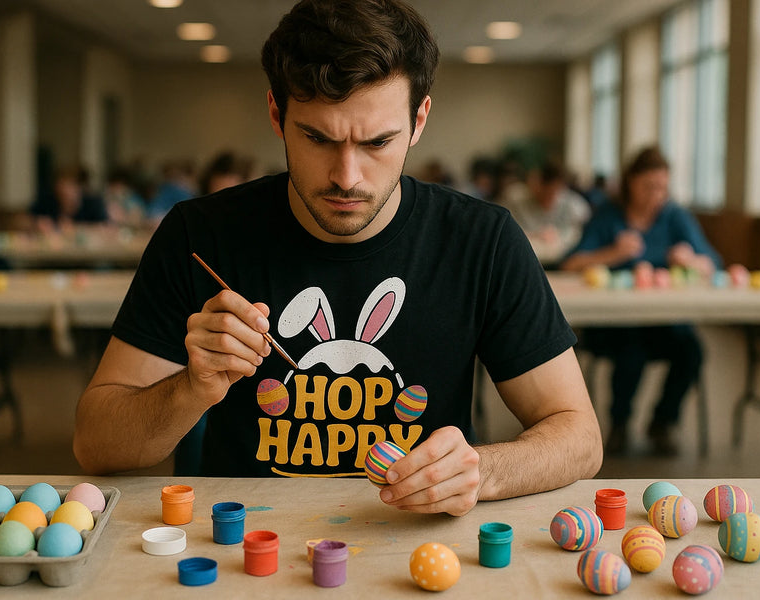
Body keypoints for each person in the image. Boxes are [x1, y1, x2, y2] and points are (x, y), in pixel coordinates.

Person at [74, 0, 602, 516]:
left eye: (377, 142)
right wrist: (191, 389)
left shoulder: (480, 240)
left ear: (419, 121)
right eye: (317, 138)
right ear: (277, 115)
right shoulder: (200, 234)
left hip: (420, 550)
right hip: (244, 552)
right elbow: (95, 445)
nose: (347, 176)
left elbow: (579, 436)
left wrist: (481, 471)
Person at [560, 146, 721, 456]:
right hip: (615, 324)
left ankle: (662, 421)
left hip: (664, 320)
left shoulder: (675, 217)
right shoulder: (608, 216)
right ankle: (620, 423)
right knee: (630, 352)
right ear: (629, 183)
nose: (656, 195)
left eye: (662, 187)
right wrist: (612, 254)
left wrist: (692, 260)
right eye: (648, 186)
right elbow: (569, 264)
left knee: (692, 351)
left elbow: (713, 263)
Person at [506, 159, 591, 262]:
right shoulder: (517, 200)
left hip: (561, 258)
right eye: (547, 193)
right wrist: (536, 234)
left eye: (555, 193)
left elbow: (580, 231)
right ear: (537, 184)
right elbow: (509, 233)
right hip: (527, 258)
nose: (551, 198)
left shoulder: (573, 204)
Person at [31, 166, 108, 232]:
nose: (64, 191)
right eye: (61, 186)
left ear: (78, 187)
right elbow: (27, 219)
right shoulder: (48, 202)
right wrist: (36, 224)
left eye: (69, 186)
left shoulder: (93, 203)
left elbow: (105, 226)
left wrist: (75, 228)